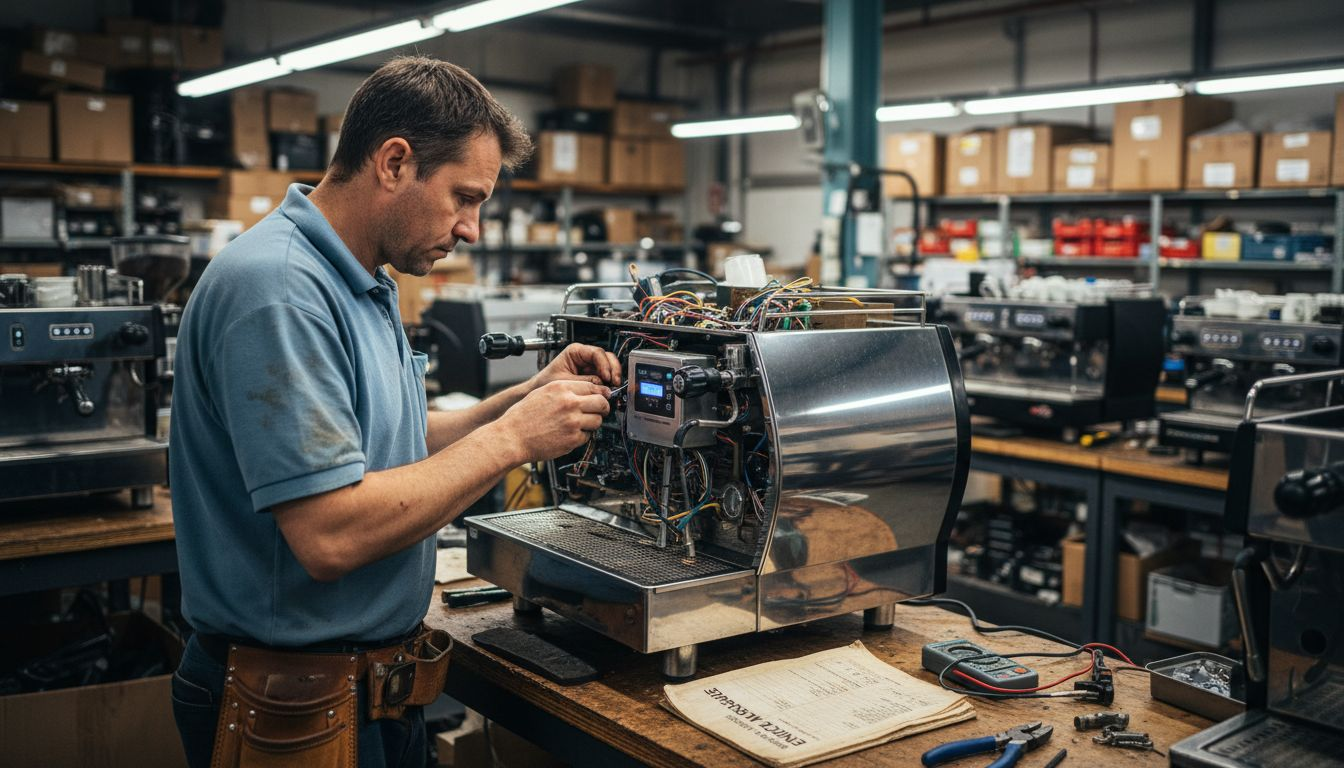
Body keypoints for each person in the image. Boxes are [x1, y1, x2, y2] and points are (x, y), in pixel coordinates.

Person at [168, 56, 620, 768]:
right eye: (463, 198)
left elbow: (390, 442)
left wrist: (524, 401)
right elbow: (330, 535)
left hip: (370, 687)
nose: (472, 229)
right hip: (290, 709)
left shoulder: (362, 281)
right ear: (394, 162)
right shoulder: (281, 290)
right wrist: (509, 441)